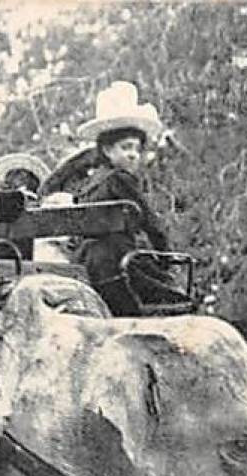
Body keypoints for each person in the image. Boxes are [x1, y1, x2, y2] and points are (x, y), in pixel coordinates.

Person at [73, 82, 184, 317]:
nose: (133, 154)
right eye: (125, 147)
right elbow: (150, 221)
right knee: (172, 291)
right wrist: (165, 255)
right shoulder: (121, 180)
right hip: (118, 262)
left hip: (87, 261)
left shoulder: (90, 183)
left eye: (136, 148)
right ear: (107, 150)